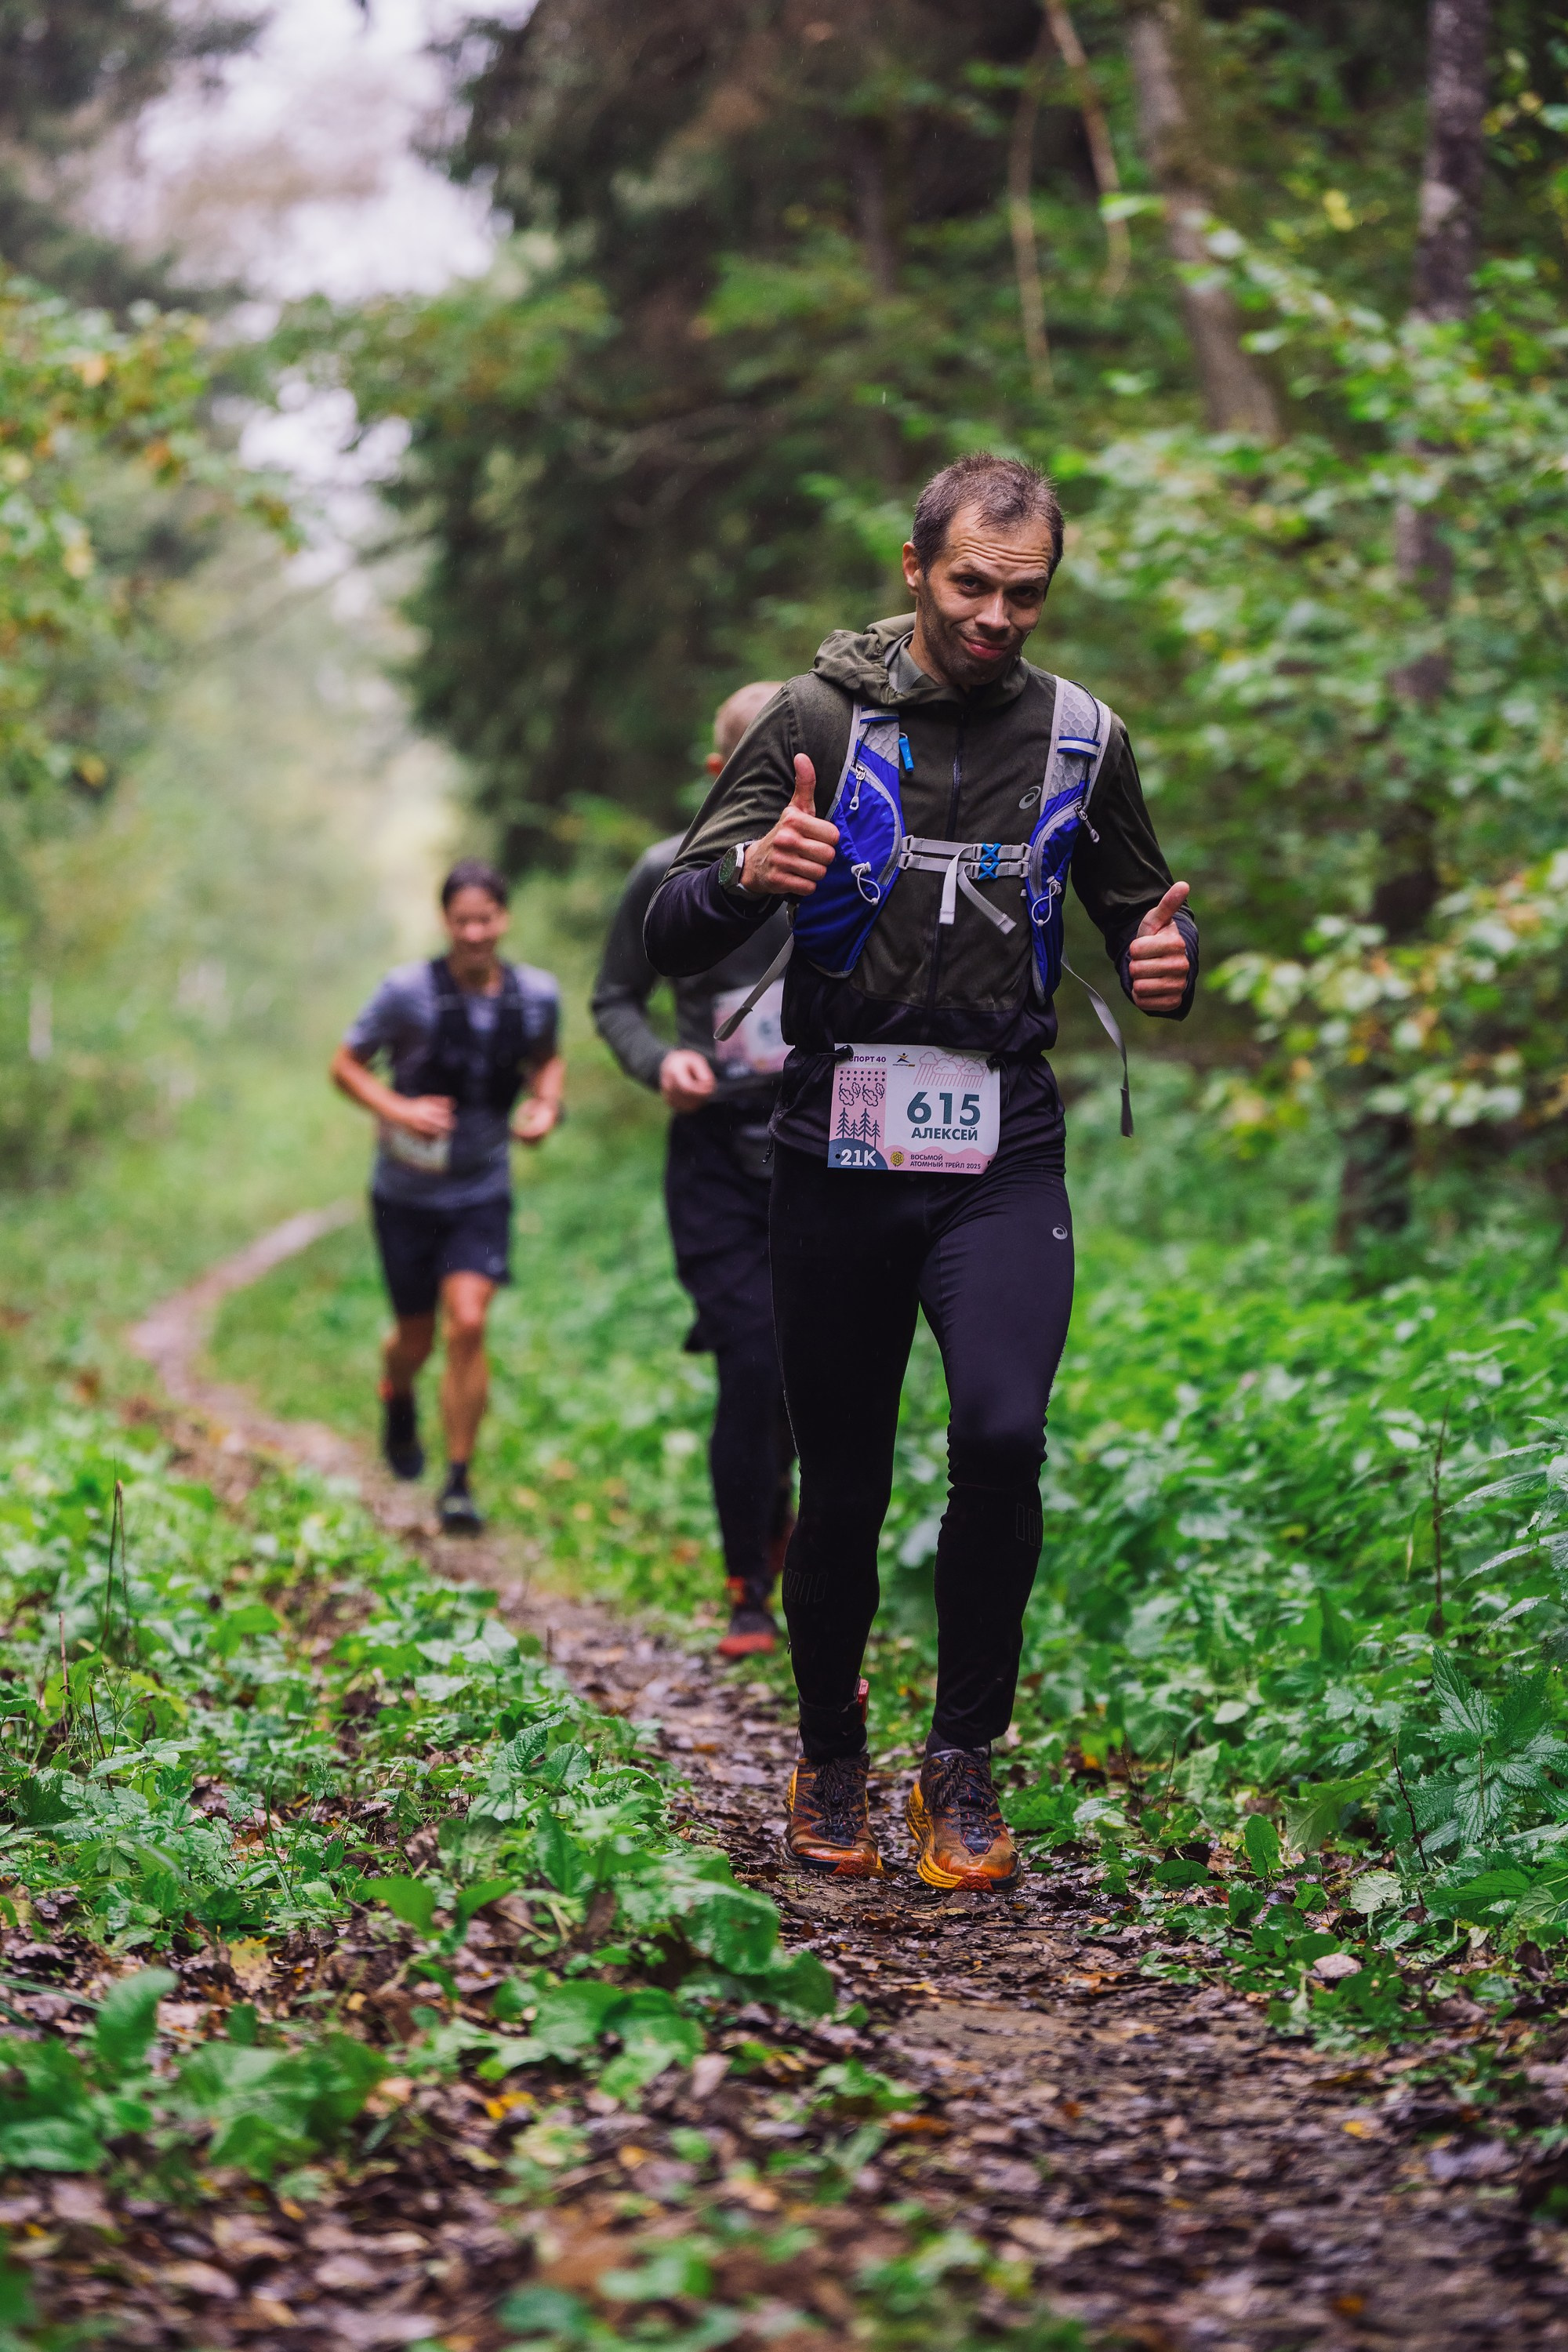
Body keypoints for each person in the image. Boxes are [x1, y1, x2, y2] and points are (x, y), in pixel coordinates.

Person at [644, 453, 1197, 1892]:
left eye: (1028, 593)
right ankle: (831, 1751)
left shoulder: (1083, 737)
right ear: (915, 568)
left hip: (1001, 1138)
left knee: (1003, 1436)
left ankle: (961, 1764)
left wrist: (1170, 961)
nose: (999, 616)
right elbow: (668, 927)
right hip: (838, 1133)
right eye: (972, 585)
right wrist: (749, 876)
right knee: (844, 1480)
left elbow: (1145, 918)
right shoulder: (811, 719)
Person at [593, 682, 796, 1659]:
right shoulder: (664, 871)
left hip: (826, 1152)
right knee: (749, 1359)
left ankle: (787, 1531)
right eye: (753, 766)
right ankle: (746, 1588)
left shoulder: (850, 864)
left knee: (805, 1376)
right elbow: (614, 998)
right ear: (720, 772)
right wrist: (658, 1064)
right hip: (714, 1154)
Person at [329, 858, 565, 1535]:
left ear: (504, 919)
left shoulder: (536, 996)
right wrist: (399, 1109)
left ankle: (458, 1481)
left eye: (485, 919)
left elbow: (547, 1058)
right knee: (415, 1337)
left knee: (468, 1321)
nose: (474, 933)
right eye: (462, 921)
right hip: (404, 1193)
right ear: (445, 922)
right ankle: (397, 1391)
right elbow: (345, 1065)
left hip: (481, 1189)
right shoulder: (405, 992)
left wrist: (545, 1106)